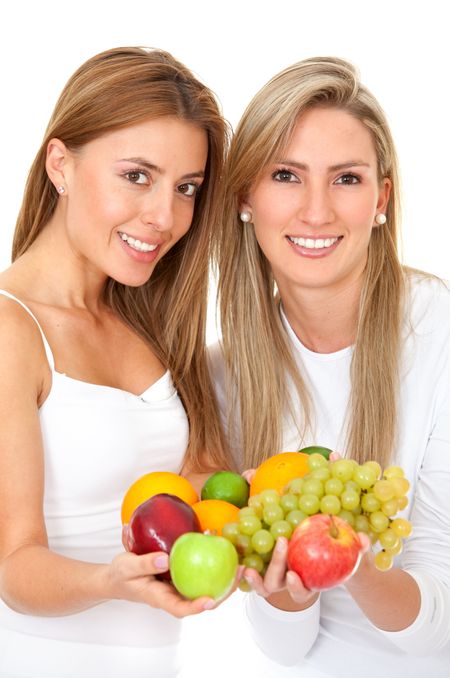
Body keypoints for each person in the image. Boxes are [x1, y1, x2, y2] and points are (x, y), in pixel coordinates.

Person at [209, 57, 450, 677]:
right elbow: (285, 648)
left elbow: (437, 633)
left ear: (381, 198)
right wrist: (291, 590)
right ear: (245, 196)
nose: (316, 212)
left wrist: (354, 560)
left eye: (346, 178)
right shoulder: (224, 375)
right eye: (286, 175)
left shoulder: (440, 334)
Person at [0, 46, 232, 678]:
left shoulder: (149, 322)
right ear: (60, 164)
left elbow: (198, 486)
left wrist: (267, 503)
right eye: (137, 175)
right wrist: (113, 578)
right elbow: (14, 564)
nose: (165, 216)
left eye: (186, 188)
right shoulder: (10, 329)